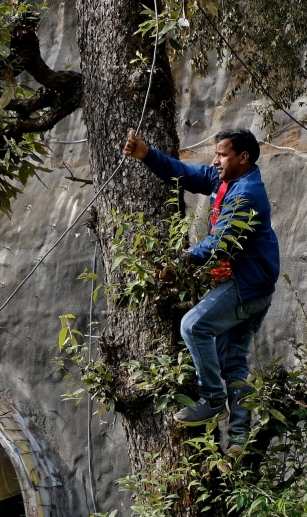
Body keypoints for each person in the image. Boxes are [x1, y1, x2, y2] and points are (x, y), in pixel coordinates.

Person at [123, 128, 279, 450]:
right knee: (233, 360)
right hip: (255, 285)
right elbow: (184, 174)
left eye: (221, 154)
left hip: (245, 285)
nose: (215, 160)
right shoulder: (226, 180)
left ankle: (212, 400)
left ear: (243, 157)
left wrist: (179, 264)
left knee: (193, 325)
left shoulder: (246, 193)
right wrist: (146, 153)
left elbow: (220, 243)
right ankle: (238, 438)